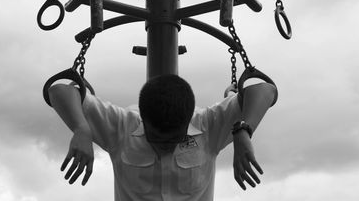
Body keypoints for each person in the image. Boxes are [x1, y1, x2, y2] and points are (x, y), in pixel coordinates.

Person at [48, 74, 277, 201]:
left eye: (174, 140)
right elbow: (59, 90)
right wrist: (81, 129)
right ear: (143, 120)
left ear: (188, 121)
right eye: (156, 139)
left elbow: (264, 90)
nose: (166, 148)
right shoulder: (122, 126)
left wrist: (243, 130)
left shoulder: (207, 126)